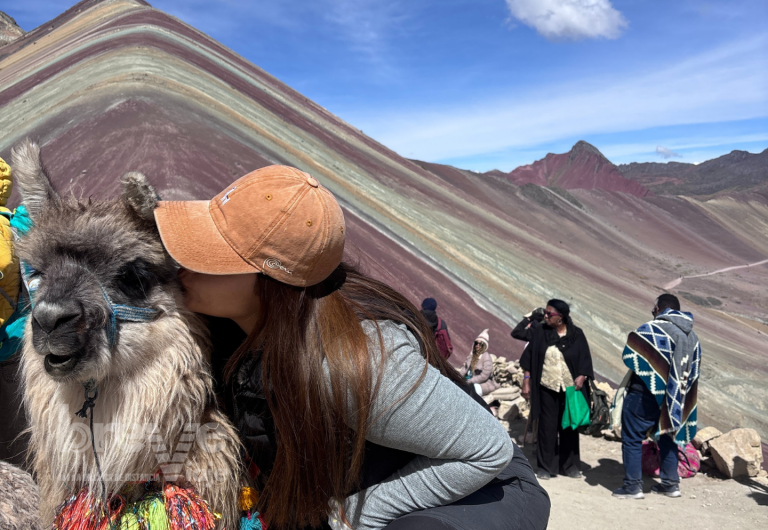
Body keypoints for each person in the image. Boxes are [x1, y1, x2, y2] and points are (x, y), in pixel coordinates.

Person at [154, 165, 550, 530]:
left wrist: (354, 515)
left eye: (208, 254)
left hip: (477, 484)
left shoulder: (352, 361)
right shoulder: (241, 329)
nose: (182, 266)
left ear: (272, 282)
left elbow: (486, 451)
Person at [612, 294, 701, 500]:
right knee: (668, 438)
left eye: (654, 310)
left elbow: (630, 351)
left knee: (632, 438)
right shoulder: (693, 337)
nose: (652, 313)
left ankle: (632, 487)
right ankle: (670, 484)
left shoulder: (653, 329)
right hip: (675, 400)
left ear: (659, 308)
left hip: (643, 394)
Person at [516, 299, 594, 480]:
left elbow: (585, 360)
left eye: (549, 314)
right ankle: (546, 467)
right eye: (545, 312)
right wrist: (526, 381)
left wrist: (582, 376)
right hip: (546, 387)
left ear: (560, 317)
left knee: (569, 427)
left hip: (571, 389)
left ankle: (569, 466)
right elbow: (529, 358)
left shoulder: (577, 335)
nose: (545, 316)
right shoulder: (540, 333)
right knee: (547, 427)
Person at [461, 329, 500, 397]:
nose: (478, 345)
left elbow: (484, 376)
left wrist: (470, 381)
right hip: (468, 379)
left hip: (482, 384)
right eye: (476, 343)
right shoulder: (472, 355)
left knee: (468, 390)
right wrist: (459, 377)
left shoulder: (486, 358)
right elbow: (465, 369)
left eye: (481, 344)